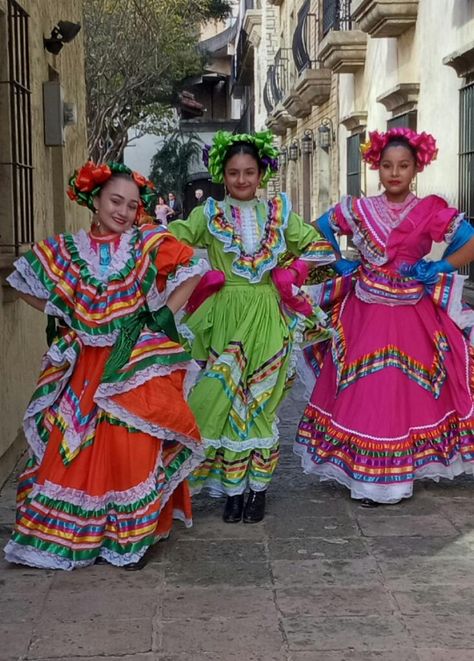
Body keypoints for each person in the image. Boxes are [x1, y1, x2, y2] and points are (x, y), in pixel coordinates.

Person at [4, 161, 208, 570]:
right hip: (83, 366)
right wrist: (63, 313)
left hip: (130, 360)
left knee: (130, 444)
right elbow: (22, 280)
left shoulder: (146, 243)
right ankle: (78, 536)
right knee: (76, 449)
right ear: (94, 200)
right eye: (116, 201)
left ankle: (127, 540)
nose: (124, 212)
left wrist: (160, 317)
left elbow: (193, 268)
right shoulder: (65, 249)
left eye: (132, 206)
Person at [294, 127, 474, 507]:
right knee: (370, 388)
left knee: (405, 390)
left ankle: (394, 475)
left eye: (404, 166)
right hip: (366, 308)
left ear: (415, 169)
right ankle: (372, 479)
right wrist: (338, 260)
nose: (395, 173)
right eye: (388, 165)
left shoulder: (430, 211)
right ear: (377, 167)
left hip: (413, 309)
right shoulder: (359, 209)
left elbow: (469, 239)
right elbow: (320, 228)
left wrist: (440, 264)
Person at [168, 130, 335, 523]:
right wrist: (194, 273)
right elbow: (171, 240)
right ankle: (231, 492)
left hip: (266, 313)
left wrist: (293, 270)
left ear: (261, 174)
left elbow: (318, 246)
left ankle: (257, 490)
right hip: (225, 315)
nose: (241, 180)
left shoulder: (278, 214)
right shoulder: (207, 215)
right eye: (232, 173)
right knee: (225, 404)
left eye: (248, 172)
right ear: (222, 176)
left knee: (260, 401)